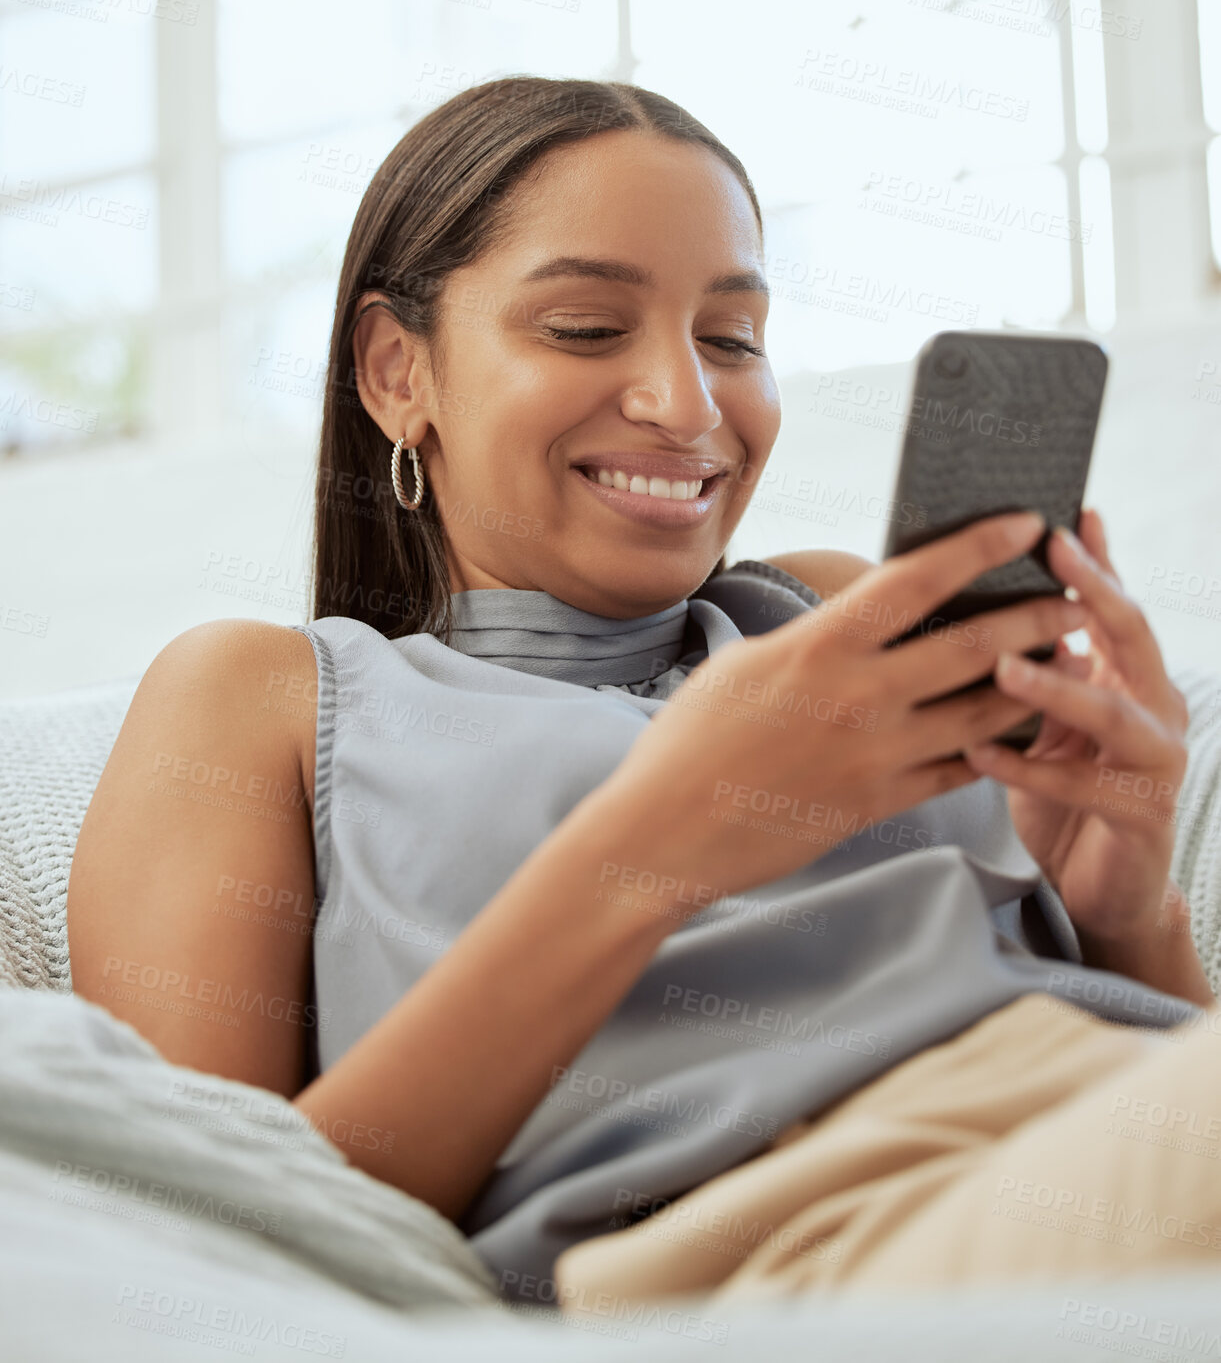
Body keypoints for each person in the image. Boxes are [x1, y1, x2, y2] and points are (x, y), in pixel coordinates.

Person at [68, 77, 1216, 1309]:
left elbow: (1140, 1040)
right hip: (801, 1237)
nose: (690, 405)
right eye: (583, 327)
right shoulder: (258, 699)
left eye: (731, 338)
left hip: (1117, 1119)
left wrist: (1120, 905)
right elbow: (205, 1263)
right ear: (398, 370)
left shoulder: (825, 612)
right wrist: (655, 837)